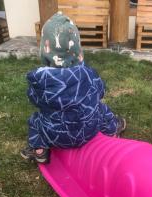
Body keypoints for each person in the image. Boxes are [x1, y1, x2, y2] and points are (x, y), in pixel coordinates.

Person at [21, 12, 126, 164]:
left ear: (45, 50)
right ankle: (113, 130)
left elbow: (33, 99)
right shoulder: (88, 74)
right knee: (101, 108)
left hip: (54, 135)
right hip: (87, 131)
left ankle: (39, 151)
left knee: (35, 120)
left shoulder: (39, 80)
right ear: (77, 49)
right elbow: (101, 91)